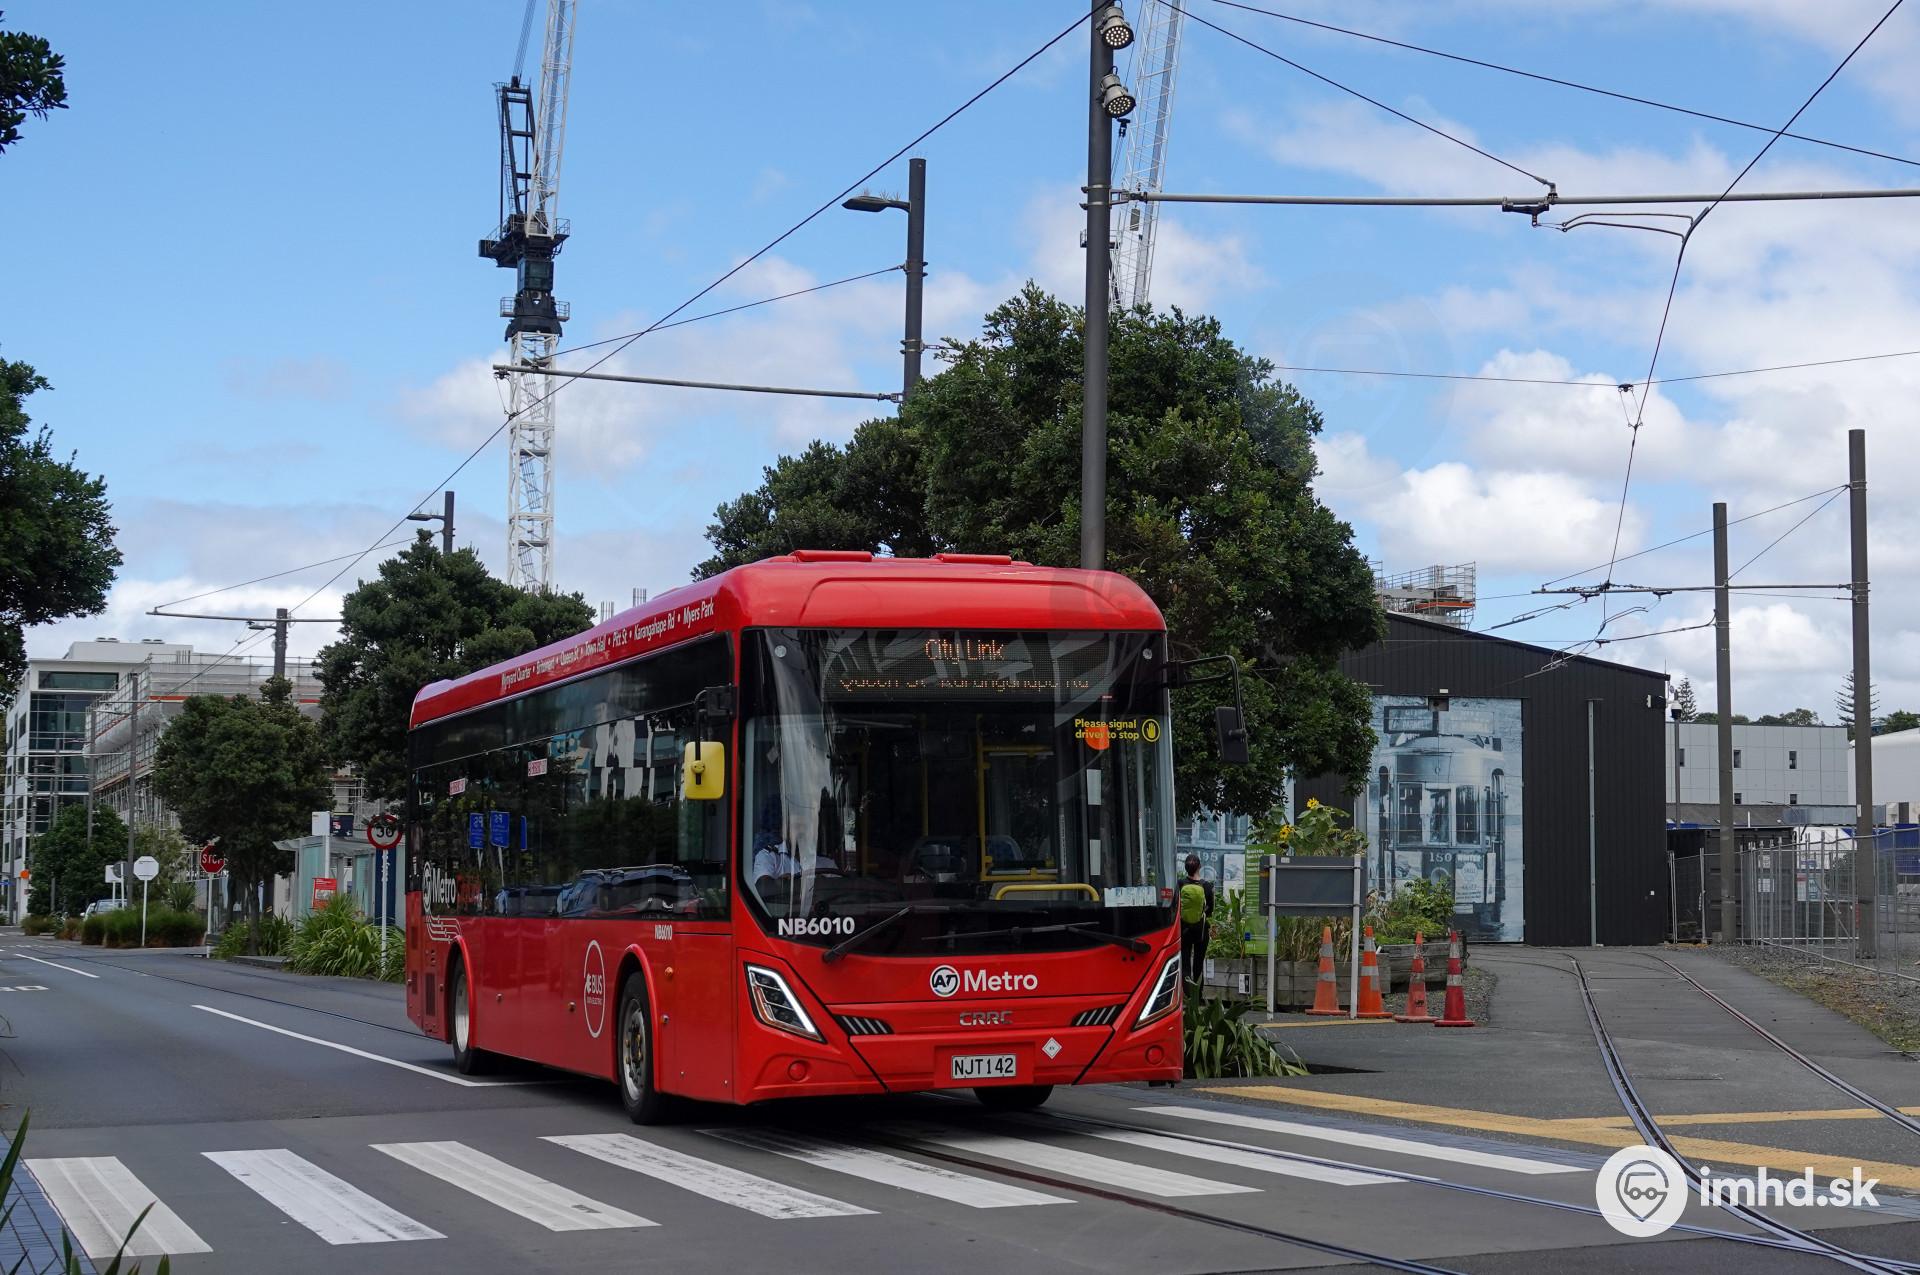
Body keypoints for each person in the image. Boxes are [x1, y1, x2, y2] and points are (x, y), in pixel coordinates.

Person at [1178, 853, 1214, 984]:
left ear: (1185, 868)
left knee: (1185, 963)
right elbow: (1210, 910)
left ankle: (1187, 993)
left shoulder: (1180, 884)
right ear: (1200, 867)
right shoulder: (1206, 886)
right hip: (1201, 929)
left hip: (1184, 929)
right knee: (1198, 964)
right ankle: (1198, 994)